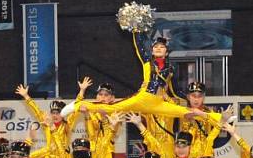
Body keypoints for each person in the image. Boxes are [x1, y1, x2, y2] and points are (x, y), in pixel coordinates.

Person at [60, 35, 218, 122]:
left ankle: (218, 118)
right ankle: (77, 104)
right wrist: (136, 29)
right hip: (142, 98)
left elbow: (175, 91)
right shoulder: (148, 62)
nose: (158, 48)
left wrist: (188, 98)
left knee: (187, 112)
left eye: (161, 47)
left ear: (167, 52)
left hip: (158, 103)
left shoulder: (171, 68)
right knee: (112, 107)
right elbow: (140, 46)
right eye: (155, 47)